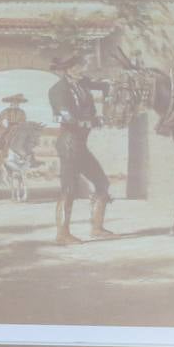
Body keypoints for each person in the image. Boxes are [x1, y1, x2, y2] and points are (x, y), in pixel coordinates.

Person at [48, 53, 114, 243]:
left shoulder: (81, 83)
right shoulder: (58, 90)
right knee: (69, 189)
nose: (82, 69)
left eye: (81, 66)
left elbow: (105, 85)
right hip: (69, 143)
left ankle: (97, 228)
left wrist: (108, 102)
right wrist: (97, 120)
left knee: (102, 183)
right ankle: (62, 234)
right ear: (67, 70)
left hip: (80, 145)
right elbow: (70, 119)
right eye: (78, 67)